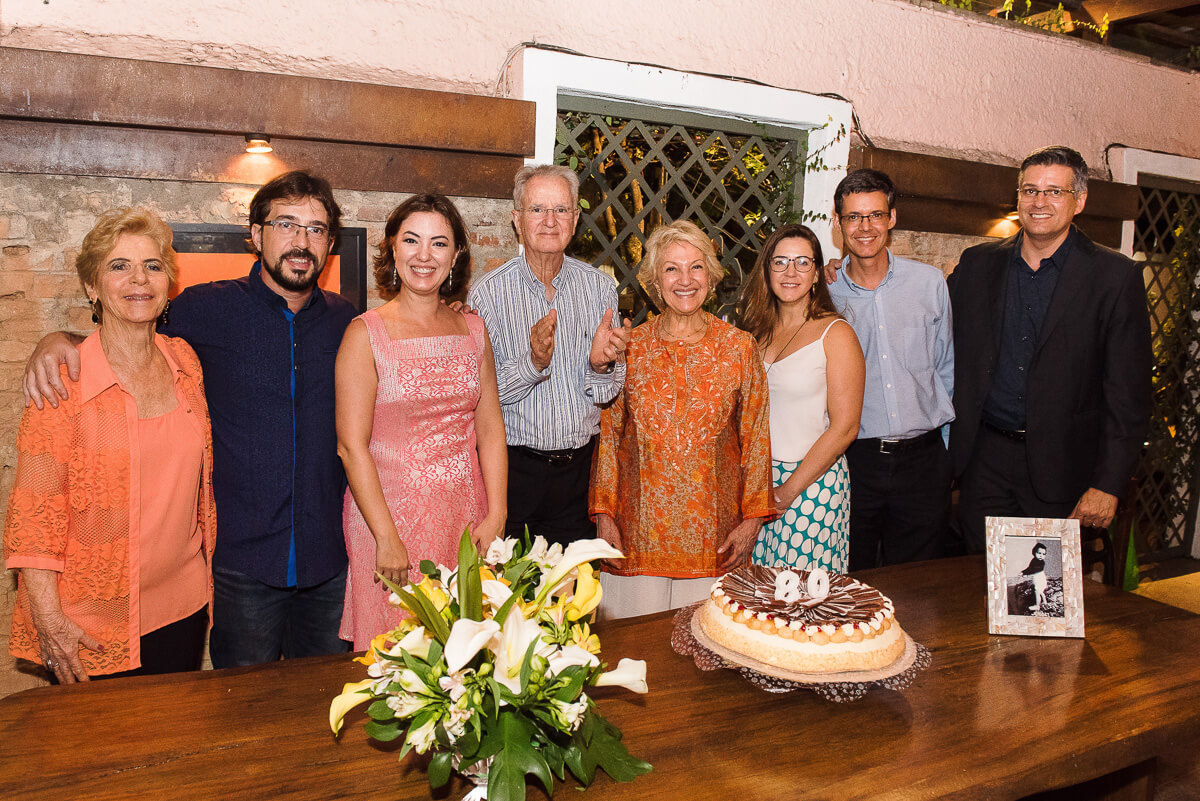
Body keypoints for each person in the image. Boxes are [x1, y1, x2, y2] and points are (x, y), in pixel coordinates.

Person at [22, 171, 357, 667]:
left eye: (315, 229)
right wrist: (58, 340)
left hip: (328, 562)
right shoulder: (206, 308)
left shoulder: (347, 321)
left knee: (326, 699)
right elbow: (129, 325)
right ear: (256, 234)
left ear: (329, 243)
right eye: (285, 224)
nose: (300, 241)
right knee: (240, 705)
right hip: (242, 569)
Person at [5, 208, 215, 683]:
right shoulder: (64, 381)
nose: (139, 278)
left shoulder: (184, 362)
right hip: (91, 623)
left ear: (168, 284)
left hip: (184, 606)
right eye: (119, 266)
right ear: (92, 286)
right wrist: (48, 620)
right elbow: (34, 518)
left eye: (152, 266)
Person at [948, 146, 1152, 554]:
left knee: (1042, 587)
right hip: (983, 462)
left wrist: (1107, 484)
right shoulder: (978, 264)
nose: (1039, 202)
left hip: (1063, 471)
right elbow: (928, 315)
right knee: (973, 579)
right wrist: (845, 274)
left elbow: (1128, 395)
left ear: (1080, 200)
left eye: (1055, 192)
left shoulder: (1115, 277)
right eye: (1030, 190)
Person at [336, 195, 507, 649]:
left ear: (456, 255)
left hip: (466, 521)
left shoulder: (474, 330)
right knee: (395, 659)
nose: (424, 255)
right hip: (389, 521)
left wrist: (497, 512)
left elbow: (491, 429)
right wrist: (386, 537)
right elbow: (351, 447)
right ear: (393, 248)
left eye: (439, 243)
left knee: (465, 656)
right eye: (412, 240)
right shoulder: (364, 333)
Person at [590, 221, 773, 618]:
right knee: (634, 646)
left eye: (696, 267)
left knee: (704, 645)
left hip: (715, 538)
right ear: (655, 281)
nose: (685, 279)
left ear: (711, 275)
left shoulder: (740, 348)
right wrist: (603, 515)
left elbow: (756, 439)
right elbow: (610, 437)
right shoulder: (631, 346)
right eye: (672, 268)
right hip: (637, 536)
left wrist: (752, 522)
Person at [467, 164, 631, 547]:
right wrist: (533, 363)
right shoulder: (487, 295)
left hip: (579, 477)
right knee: (507, 583)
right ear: (517, 220)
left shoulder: (600, 289)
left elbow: (606, 394)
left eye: (561, 210)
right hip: (512, 474)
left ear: (574, 220)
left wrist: (600, 366)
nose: (550, 221)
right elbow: (480, 397)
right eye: (537, 209)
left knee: (575, 585)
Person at [826, 169, 954, 571]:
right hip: (854, 461)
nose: (865, 227)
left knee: (920, 582)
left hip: (923, 462)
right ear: (838, 222)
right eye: (853, 217)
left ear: (892, 218)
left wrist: (945, 451)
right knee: (851, 576)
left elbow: (945, 367)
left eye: (875, 215)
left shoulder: (930, 283)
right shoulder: (825, 293)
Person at [740, 224, 864, 573]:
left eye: (802, 262)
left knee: (800, 596)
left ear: (816, 274)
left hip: (810, 485)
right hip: (759, 484)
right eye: (780, 262)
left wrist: (787, 490)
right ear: (767, 270)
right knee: (757, 592)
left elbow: (845, 427)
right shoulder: (755, 333)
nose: (790, 272)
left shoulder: (836, 333)